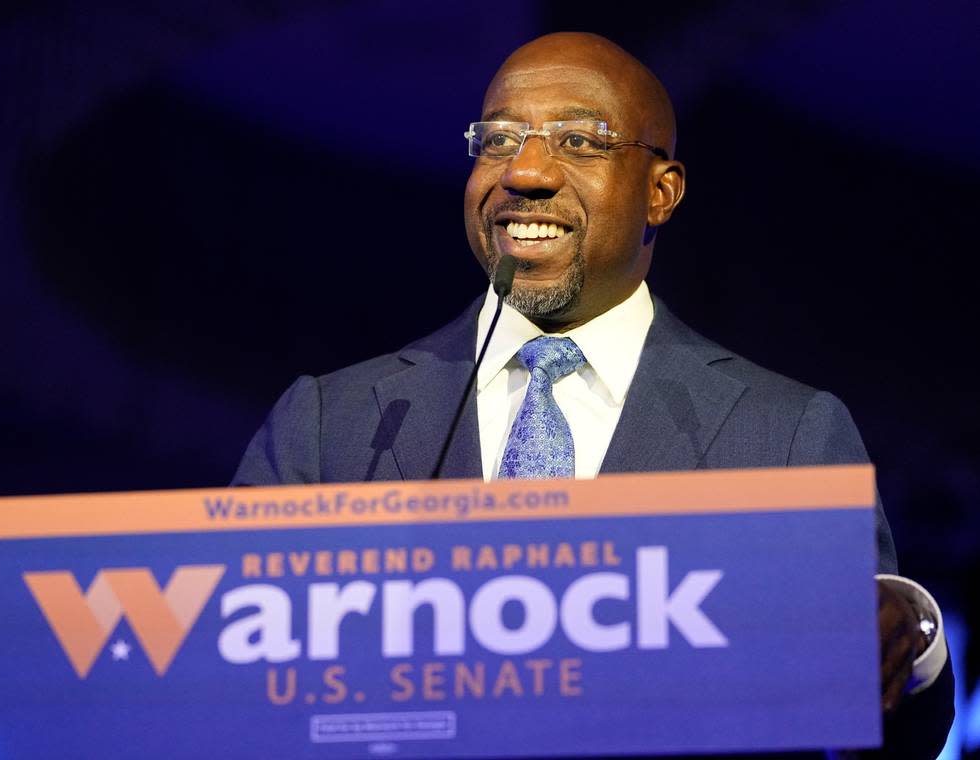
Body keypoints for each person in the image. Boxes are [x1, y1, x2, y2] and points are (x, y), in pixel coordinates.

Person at [233, 32, 953, 758]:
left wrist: (906, 637)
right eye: (499, 139)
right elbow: (223, 691)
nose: (526, 171)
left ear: (661, 192)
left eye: (579, 140)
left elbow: (880, 730)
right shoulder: (333, 423)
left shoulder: (785, 432)